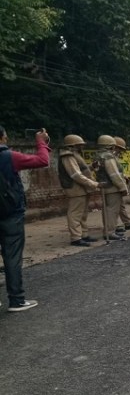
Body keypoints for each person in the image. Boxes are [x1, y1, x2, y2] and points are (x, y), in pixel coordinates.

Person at [0, 126, 49, 311]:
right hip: (10, 214)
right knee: (12, 256)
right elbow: (42, 160)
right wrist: (41, 142)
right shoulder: (9, 157)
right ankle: (16, 300)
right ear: (2, 138)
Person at [58, 134, 100, 246]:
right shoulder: (67, 155)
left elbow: (80, 170)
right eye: (79, 145)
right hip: (75, 188)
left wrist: (91, 167)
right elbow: (75, 174)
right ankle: (76, 237)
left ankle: (83, 234)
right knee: (75, 213)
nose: (82, 146)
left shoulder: (75, 155)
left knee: (83, 213)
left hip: (81, 187)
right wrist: (93, 184)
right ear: (73, 145)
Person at [93, 135, 128, 241]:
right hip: (112, 187)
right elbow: (113, 174)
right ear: (111, 145)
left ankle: (109, 230)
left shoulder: (98, 155)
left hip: (104, 185)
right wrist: (122, 187)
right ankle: (110, 232)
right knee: (112, 210)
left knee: (107, 210)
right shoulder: (108, 156)